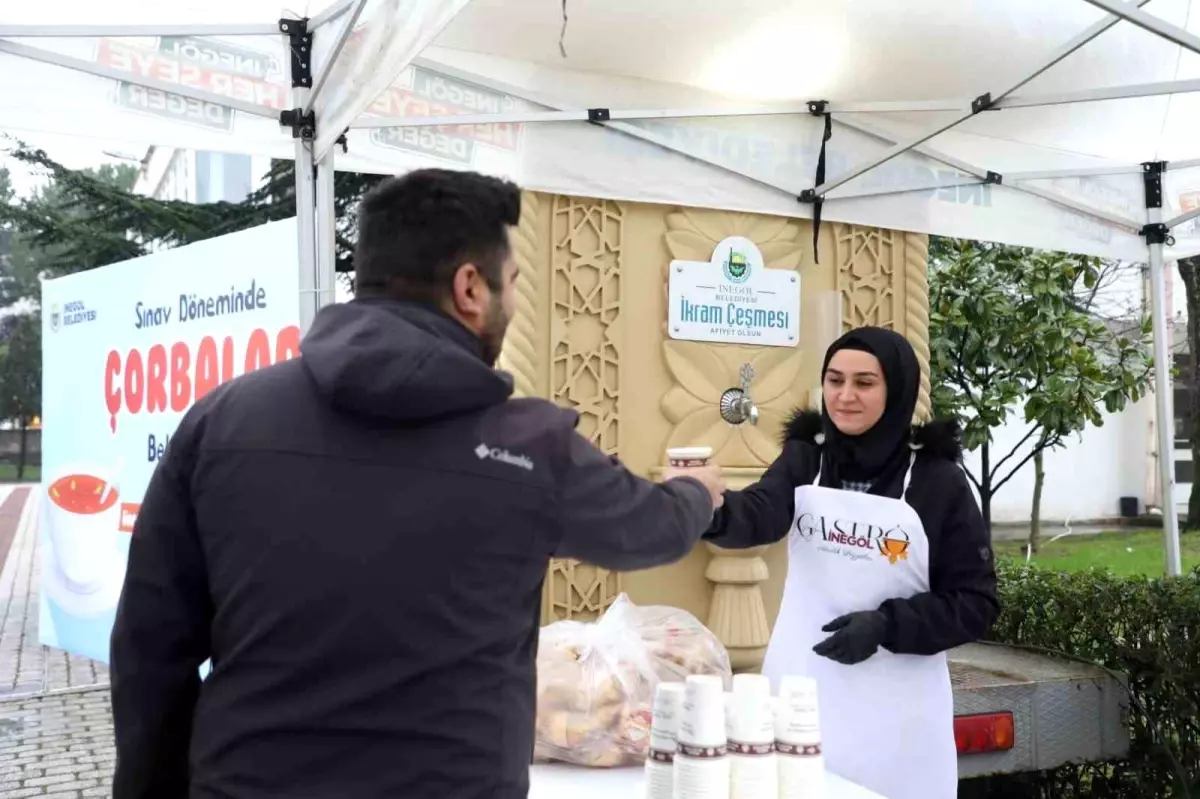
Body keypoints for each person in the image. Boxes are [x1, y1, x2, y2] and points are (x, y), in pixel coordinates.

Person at [109, 168, 726, 799]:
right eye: (511, 284)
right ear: (469, 288)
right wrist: (698, 491)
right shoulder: (531, 447)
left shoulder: (222, 421)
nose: (512, 304)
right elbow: (649, 528)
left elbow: (151, 649)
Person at [701, 326, 998, 799]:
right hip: (802, 697)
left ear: (896, 390)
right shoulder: (807, 460)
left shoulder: (936, 482)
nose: (844, 397)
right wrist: (707, 509)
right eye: (834, 380)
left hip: (896, 719)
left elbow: (975, 603)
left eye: (864, 383)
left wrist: (887, 626)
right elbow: (761, 512)